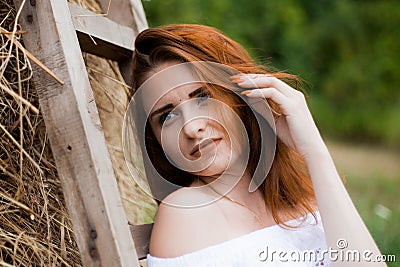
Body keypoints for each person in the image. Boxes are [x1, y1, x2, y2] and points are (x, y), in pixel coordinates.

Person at [125, 24, 386, 266]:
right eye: (167, 116)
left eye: (203, 97)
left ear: (243, 96)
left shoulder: (302, 194)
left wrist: (315, 152)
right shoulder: (184, 216)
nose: (192, 128)